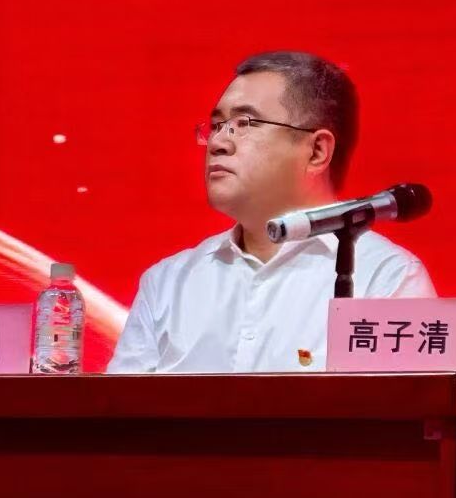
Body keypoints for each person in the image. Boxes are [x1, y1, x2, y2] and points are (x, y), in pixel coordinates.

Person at [108, 50, 434, 372]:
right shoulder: (168, 283)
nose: (218, 143)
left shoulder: (384, 277)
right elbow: (118, 405)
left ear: (317, 151)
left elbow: (408, 402)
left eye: (244, 123)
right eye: (217, 125)